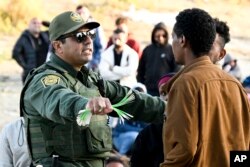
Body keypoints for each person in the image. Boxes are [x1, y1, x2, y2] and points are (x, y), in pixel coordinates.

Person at [20, 11, 166, 167]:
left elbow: (133, 100)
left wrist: (169, 109)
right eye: (80, 37)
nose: (89, 41)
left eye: (90, 34)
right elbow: (58, 99)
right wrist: (85, 105)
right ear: (58, 46)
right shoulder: (43, 81)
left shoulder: (92, 80)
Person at [160, 8, 250, 167]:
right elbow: (244, 144)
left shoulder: (185, 83)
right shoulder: (236, 85)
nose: (171, 43)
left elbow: (184, 149)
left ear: (182, 40)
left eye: (173, 37)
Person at [130, 73, 175, 167]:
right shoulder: (147, 135)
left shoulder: (196, 130)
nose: (166, 97)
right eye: (163, 93)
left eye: (171, 91)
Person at [136, 22, 181, 96]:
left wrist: (168, 86)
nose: (160, 38)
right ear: (153, 36)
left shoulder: (172, 50)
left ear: (167, 36)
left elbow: (177, 70)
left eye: (163, 35)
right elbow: (141, 70)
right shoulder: (147, 50)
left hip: (165, 91)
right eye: (157, 36)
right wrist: (141, 85)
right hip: (148, 90)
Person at [112, 83, 148, 156]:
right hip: (120, 139)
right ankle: (121, 157)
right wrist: (139, 130)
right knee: (134, 136)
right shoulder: (125, 106)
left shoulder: (147, 110)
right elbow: (121, 127)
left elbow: (148, 128)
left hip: (138, 140)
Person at [12, 17, 50, 83]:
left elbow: (57, 30)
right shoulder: (24, 37)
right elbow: (15, 53)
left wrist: (48, 24)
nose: (36, 25)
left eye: (38, 23)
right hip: (30, 75)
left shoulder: (45, 35)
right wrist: (26, 66)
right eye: (34, 23)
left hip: (45, 73)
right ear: (29, 25)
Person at [76, 4, 106, 72]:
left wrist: (95, 62)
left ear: (88, 14)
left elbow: (101, 47)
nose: (81, 15)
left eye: (83, 13)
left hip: (91, 66)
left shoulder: (95, 27)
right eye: (78, 13)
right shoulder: (73, 28)